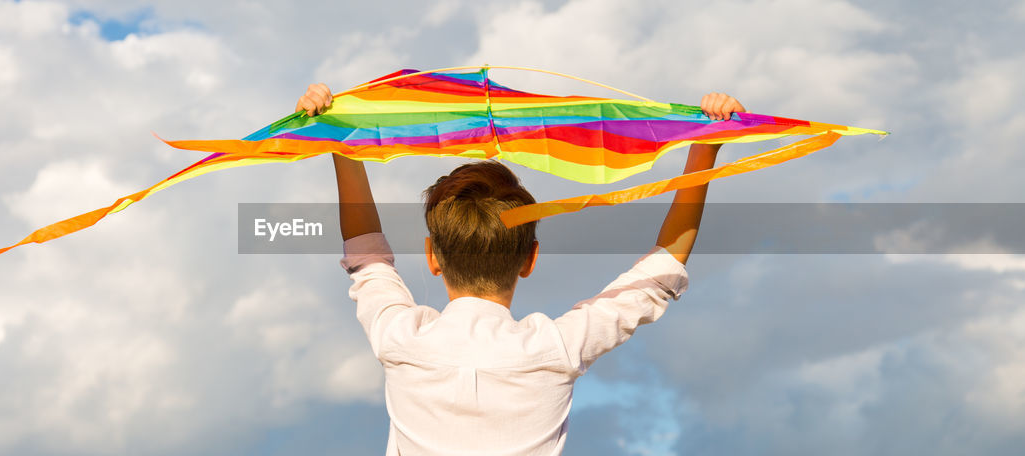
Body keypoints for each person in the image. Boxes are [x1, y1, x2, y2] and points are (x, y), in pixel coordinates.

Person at [296, 83, 744, 455]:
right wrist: (704, 150)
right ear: (531, 259)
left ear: (432, 257)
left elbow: (367, 254)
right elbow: (662, 268)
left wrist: (340, 141)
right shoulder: (555, 348)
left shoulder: (400, 337)